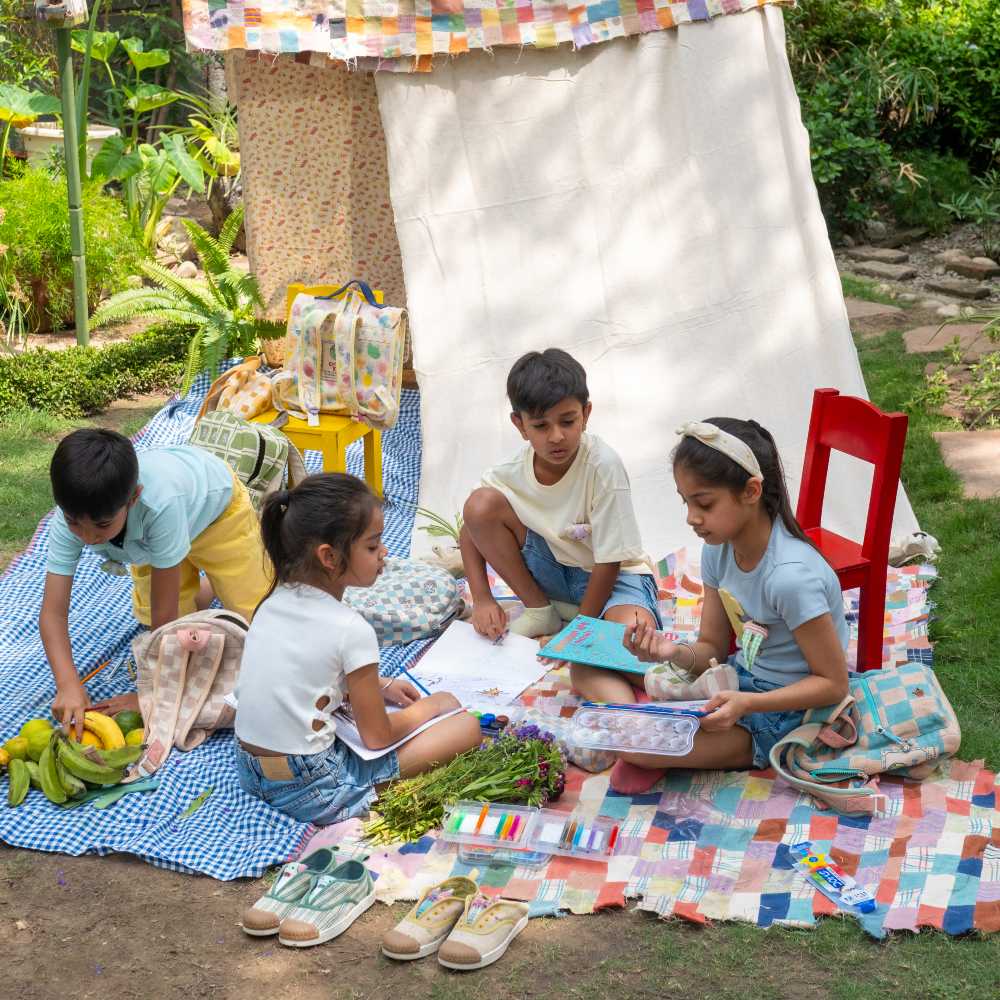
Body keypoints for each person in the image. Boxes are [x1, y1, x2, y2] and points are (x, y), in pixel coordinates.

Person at [614, 418, 850, 794]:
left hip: (789, 710)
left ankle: (667, 758)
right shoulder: (718, 551)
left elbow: (834, 684)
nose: (691, 517)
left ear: (751, 491)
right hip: (739, 682)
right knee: (621, 689)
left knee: (639, 747)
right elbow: (712, 647)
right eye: (686, 501)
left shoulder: (790, 578)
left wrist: (748, 704)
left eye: (704, 503)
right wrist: (669, 651)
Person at [234, 473, 481, 825]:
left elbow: (304, 667)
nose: (384, 553)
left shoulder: (272, 601)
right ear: (329, 557)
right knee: (465, 728)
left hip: (250, 769)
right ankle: (362, 792)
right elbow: (377, 736)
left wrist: (380, 684)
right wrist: (431, 706)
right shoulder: (352, 629)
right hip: (314, 788)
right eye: (372, 545)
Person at [460, 348, 661, 703]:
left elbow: (611, 560)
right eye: (541, 425)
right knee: (480, 504)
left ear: (586, 414)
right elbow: (471, 526)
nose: (556, 436)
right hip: (554, 578)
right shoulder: (511, 473)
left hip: (615, 581)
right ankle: (541, 611)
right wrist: (482, 598)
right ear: (520, 425)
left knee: (630, 644)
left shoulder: (603, 466)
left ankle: (624, 686)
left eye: (567, 421)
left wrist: (583, 632)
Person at [41, 429, 271, 736]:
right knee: (166, 622)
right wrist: (68, 683)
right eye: (73, 522)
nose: (86, 536)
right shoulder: (71, 517)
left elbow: (166, 624)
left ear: (133, 498)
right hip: (153, 542)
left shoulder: (160, 504)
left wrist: (152, 695)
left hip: (216, 512)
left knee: (259, 619)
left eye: (102, 525)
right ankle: (212, 583)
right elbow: (53, 613)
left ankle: (225, 577)